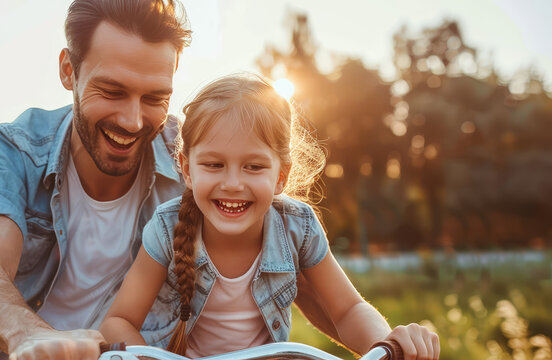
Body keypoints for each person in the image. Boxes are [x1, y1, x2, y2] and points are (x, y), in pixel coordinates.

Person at [99, 74, 441, 359]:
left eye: (254, 167)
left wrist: (387, 345)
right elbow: (118, 321)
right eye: (214, 165)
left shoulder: (297, 227)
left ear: (281, 176)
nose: (233, 184)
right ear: (187, 170)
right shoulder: (166, 226)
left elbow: (348, 310)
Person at [0, 1, 191, 359]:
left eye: (155, 98)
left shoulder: (191, 158)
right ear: (68, 71)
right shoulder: (15, 149)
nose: (133, 121)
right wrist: (28, 336)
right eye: (112, 91)